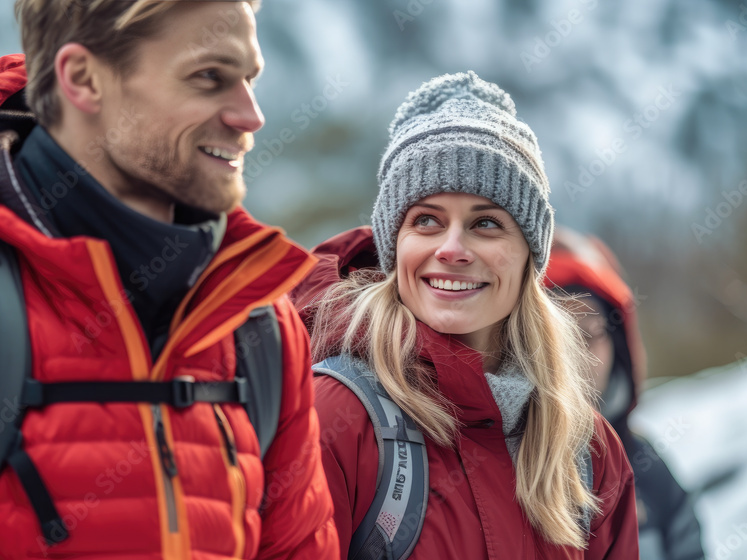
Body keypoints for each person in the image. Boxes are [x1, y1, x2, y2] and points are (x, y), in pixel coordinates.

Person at [0, 1, 337, 558]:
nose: (250, 116)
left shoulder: (261, 332)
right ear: (83, 79)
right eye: (209, 77)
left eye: (249, 79)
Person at [292, 72, 639, 559]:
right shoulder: (336, 417)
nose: (452, 249)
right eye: (427, 220)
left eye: (486, 223)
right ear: (396, 248)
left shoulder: (589, 452)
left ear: (529, 258)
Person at [546, 227, 705, 560]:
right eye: (558, 332)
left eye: (591, 332)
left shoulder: (646, 469)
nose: (577, 354)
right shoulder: (488, 466)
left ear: (617, 346)